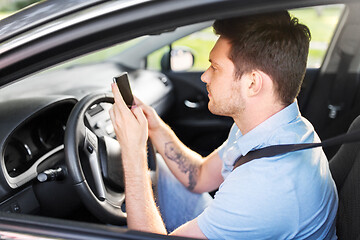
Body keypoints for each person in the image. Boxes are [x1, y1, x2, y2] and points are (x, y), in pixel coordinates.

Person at [109, 11, 338, 239]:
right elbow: (198, 177)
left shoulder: (265, 186)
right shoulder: (277, 127)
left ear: (252, 83)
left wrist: (133, 152)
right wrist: (154, 127)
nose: (204, 77)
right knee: (160, 167)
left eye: (215, 68)